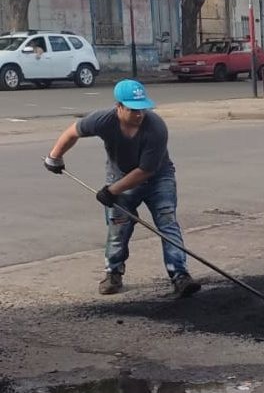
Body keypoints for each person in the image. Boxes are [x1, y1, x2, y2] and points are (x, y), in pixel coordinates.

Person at [42, 79, 201, 297]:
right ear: (119, 107)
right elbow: (71, 133)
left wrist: (111, 191)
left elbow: (146, 170)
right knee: (118, 226)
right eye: (133, 109)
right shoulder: (102, 120)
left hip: (158, 178)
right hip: (119, 175)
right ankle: (113, 273)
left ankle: (179, 275)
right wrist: (55, 157)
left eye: (142, 108)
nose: (139, 114)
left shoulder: (156, 127)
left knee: (167, 221)